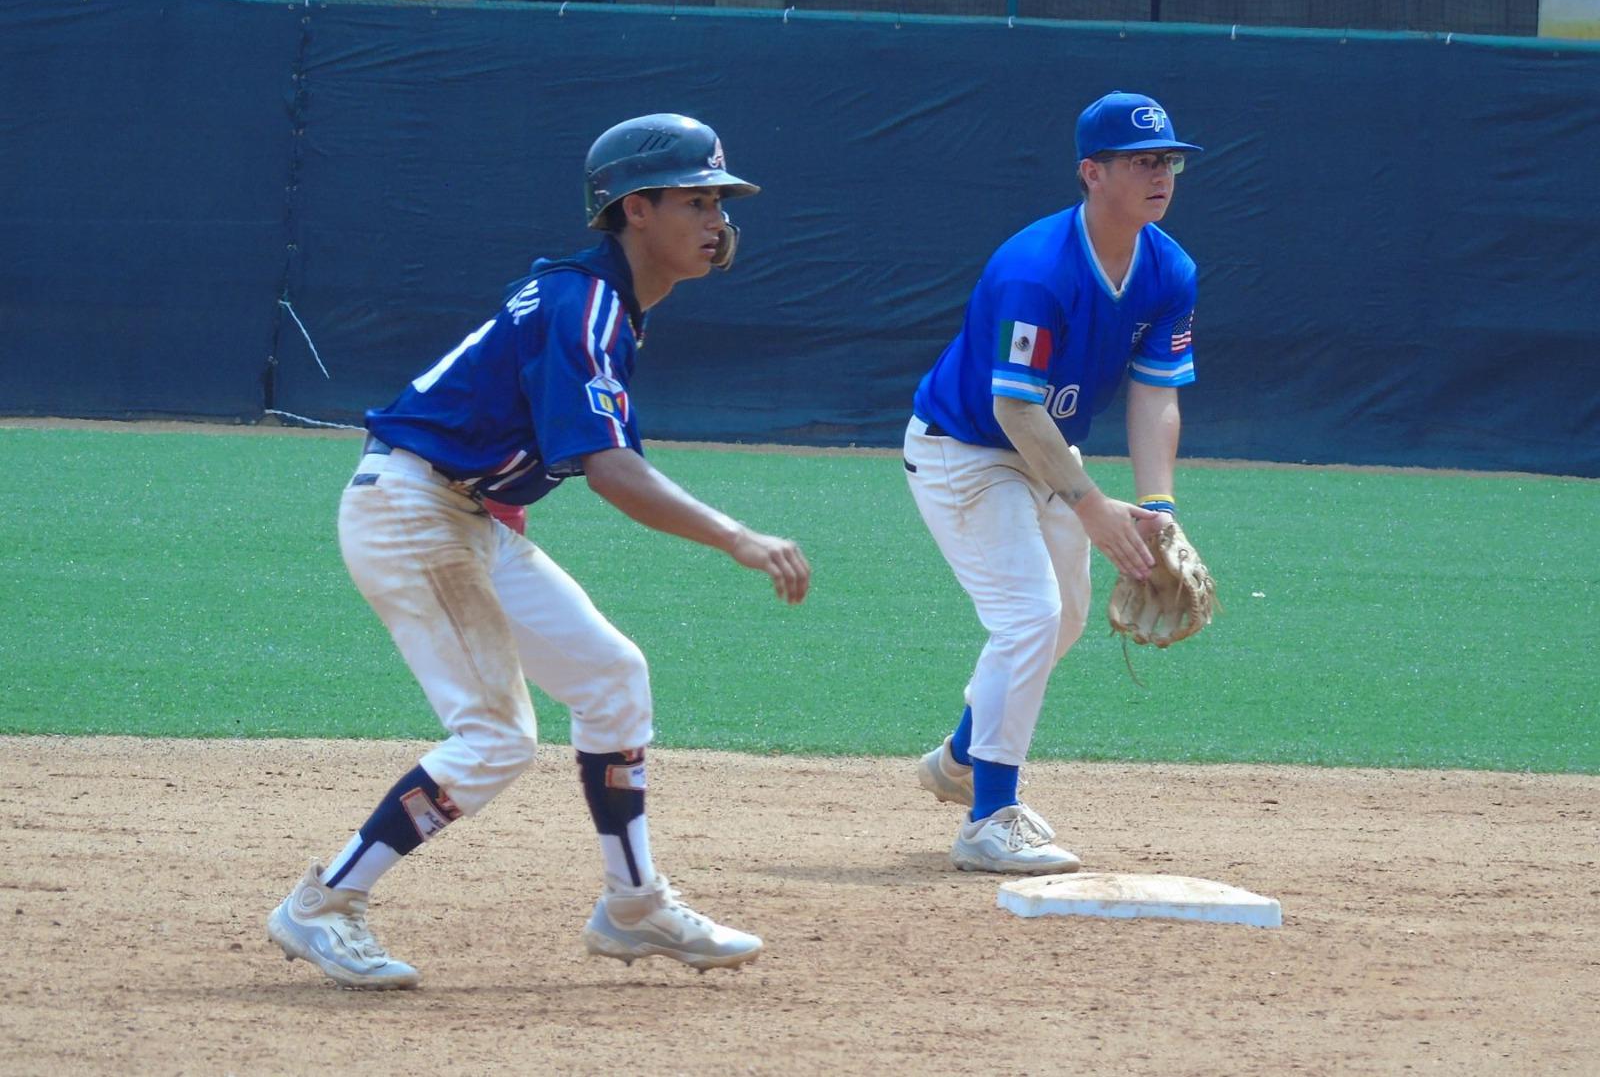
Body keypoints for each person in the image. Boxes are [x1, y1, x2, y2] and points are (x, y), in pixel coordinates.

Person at [267, 113, 811, 988]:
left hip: (459, 511)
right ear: (636, 209)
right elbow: (612, 472)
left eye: (721, 202)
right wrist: (738, 537)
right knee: (495, 736)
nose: (717, 220)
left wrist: (501, 515)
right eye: (696, 200)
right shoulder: (586, 304)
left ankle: (633, 905)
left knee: (611, 676)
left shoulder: (596, 300)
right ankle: (325, 902)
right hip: (412, 510)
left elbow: (501, 421)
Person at [905, 91, 1203, 873]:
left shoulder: (1169, 269)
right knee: (1030, 615)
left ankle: (961, 757)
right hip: (964, 450)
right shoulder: (1035, 270)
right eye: (1142, 161)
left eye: (1169, 161)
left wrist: (1160, 507)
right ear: (1091, 172)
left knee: (1064, 619)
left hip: (1044, 451)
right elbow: (1014, 407)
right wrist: (1092, 506)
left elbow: (1156, 394)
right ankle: (989, 817)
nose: (1161, 175)